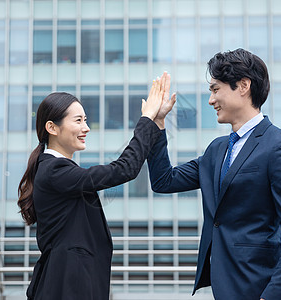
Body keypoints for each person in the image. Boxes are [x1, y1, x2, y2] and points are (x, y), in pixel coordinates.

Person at [147, 49, 281, 300]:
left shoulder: (279, 147)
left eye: (215, 90)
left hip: (257, 287)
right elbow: (164, 181)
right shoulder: (217, 150)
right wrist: (158, 122)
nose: (210, 100)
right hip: (222, 286)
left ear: (243, 86)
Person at [18, 73, 169, 300]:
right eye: (78, 121)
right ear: (52, 127)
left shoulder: (55, 169)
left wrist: (156, 121)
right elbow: (123, 169)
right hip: (68, 285)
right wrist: (146, 119)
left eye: (85, 120)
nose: (86, 128)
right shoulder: (54, 171)